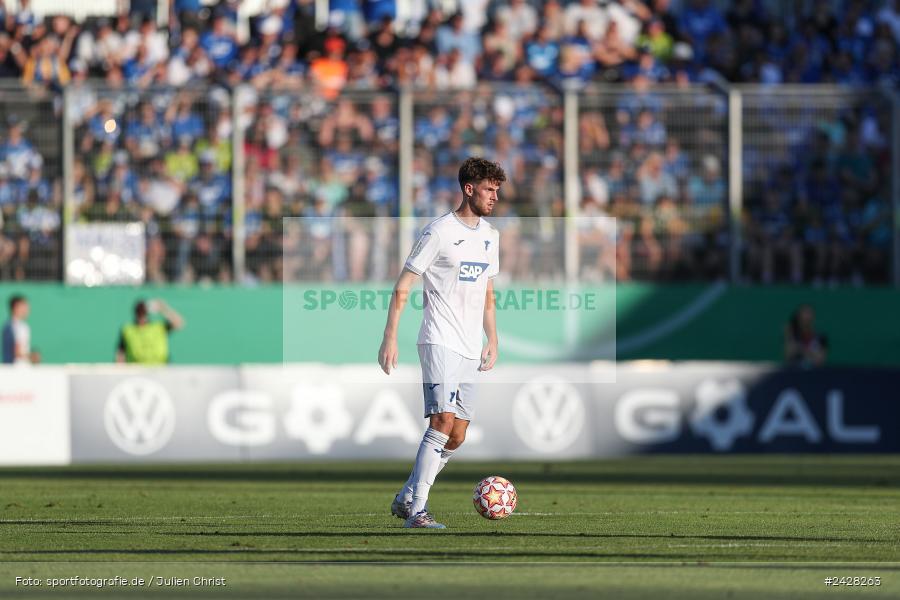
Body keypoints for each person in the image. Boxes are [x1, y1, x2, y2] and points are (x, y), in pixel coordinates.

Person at [378, 157, 504, 529]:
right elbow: (404, 283)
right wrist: (390, 337)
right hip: (439, 340)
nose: (495, 196)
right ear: (469, 189)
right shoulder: (438, 232)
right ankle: (417, 511)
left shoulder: (490, 236)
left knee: (458, 434)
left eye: (498, 190)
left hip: (468, 345)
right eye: (489, 189)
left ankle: (406, 496)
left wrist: (493, 337)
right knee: (442, 420)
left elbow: (487, 291)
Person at [116, 299, 185, 364]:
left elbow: (179, 323)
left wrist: (163, 309)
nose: (141, 315)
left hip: (161, 369)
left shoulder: (159, 327)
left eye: (143, 312)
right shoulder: (128, 330)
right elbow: (121, 353)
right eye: (139, 312)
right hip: (137, 371)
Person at [2, 294, 39, 364]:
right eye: (24, 306)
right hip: (19, 370)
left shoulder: (7, 325)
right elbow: (17, 352)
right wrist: (32, 356)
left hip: (9, 369)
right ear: (16, 307)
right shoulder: (19, 326)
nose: (28, 309)